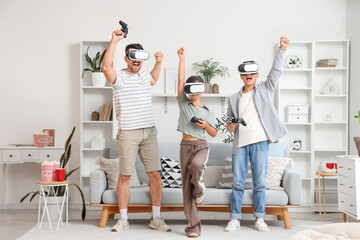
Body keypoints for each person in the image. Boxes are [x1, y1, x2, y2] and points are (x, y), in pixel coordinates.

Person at [101, 28, 171, 232]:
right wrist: (114, 40)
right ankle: (123, 219)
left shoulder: (143, 77)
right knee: (125, 176)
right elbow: (106, 67)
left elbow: (154, 79)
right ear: (126, 58)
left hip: (149, 131)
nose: (136, 60)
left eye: (139, 57)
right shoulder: (120, 78)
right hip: (128, 133)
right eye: (132, 56)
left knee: (155, 175)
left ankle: (156, 218)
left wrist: (158, 62)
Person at [224, 36, 290, 232]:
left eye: (252, 73)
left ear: (257, 75)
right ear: (241, 77)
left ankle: (259, 218)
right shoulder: (233, 98)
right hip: (240, 145)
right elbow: (229, 121)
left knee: (259, 183)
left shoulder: (265, 90)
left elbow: (276, 72)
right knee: (237, 183)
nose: (249, 76)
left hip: (260, 143)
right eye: (245, 74)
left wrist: (282, 50)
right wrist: (230, 126)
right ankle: (235, 219)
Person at [176, 47, 217, 238]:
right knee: (186, 189)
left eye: (197, 87)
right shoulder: (184, 103)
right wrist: (182, 59)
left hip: (201, 145)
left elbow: (214, 133)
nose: (194, 91)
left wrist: (205, 125)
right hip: (185, 146)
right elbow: (179, 82)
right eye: (190, 88)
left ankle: (200, 190)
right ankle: (193, 226)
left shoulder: (208, 110)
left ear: (203, 89)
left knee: (197, 165)